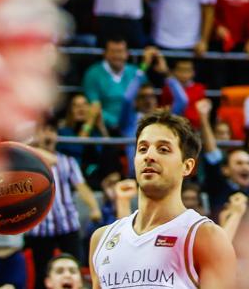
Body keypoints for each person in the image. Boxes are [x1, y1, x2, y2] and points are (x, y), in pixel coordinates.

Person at [89, 111, 236, 289]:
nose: (149, 156)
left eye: (163, 149)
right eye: (142, 149)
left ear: (187, 166)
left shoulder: (205, 236)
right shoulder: (102, 239)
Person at [26, 120, 102, 288]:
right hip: (41, 227)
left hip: (66, 222)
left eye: (51, 131)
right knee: (42, 274)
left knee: (74, 267)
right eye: (43, 131)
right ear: (36, 136)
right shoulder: (27, 161)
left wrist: (94, 206)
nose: (48, 135)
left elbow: (81, 186)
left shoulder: (68, 161)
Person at [81, 39, 142, 134]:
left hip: (133, 126)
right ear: (105, 54)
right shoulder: (93, 73)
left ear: (127, 54)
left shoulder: (135, 72)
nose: (117, 56)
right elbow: (94, 105)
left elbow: (146, 96)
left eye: (120, 51)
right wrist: (115, 124)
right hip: (103, 127)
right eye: (113, 52)